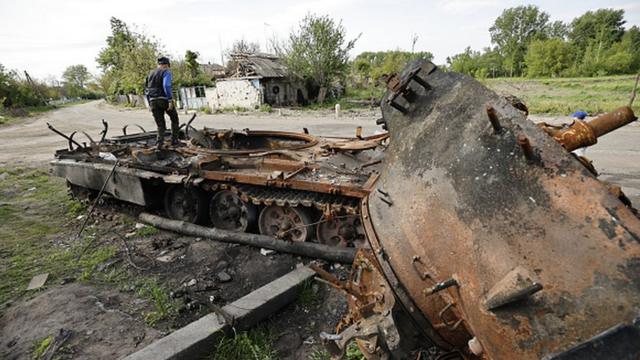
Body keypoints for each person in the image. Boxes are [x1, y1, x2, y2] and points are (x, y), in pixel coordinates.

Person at [145, 56, 179, 149]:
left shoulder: (150, 74)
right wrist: (170, 99)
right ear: (167, 65)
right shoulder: (166, 72)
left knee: (160, 124)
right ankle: (174, 140)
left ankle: (159, 144)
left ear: (158, 64)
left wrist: (149, 103)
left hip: (153, 101)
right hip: (163, 100)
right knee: (174, 118)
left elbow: (146, 90)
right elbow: (166, 85)